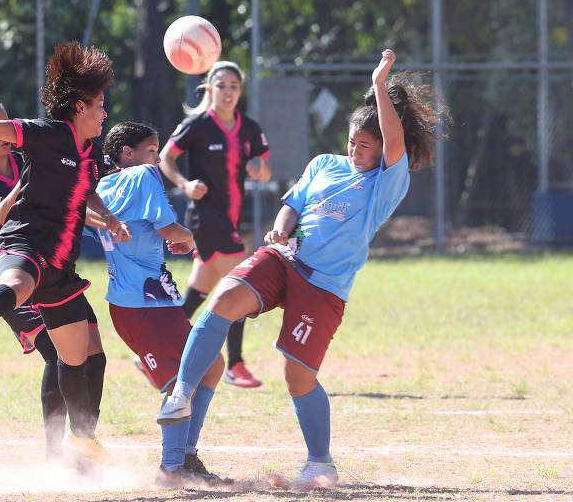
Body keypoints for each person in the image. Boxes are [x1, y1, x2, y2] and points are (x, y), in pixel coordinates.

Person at [157, 50, 450, 489]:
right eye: (352, 141)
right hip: (285, 259)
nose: (355, 151)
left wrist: (378, 84)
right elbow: (292, 206)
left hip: (325, 285)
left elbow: (391, 137)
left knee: (298, 375)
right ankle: (181, 394)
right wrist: (279, 231)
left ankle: (319, 463)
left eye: (364, 146)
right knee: (220, 302)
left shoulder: (387, 181)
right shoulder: (325, 165)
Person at [0, 41, 130, 465]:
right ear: (81, 105)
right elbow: (1, 129)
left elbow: (86, 194)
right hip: (24, 244)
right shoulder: (50, 133)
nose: (105, 113)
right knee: (17, 284)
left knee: (78, 358)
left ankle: (80, 442)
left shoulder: (87, 156)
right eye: (101, 105)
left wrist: (109, 219)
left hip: (62, 269)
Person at [0, 89, 107, 462]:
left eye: (3, 122)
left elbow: (65, 197)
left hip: (55, 265)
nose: (1, 132)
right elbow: (2, 213)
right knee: (56, 355)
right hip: (17, 270)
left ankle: (82, 440)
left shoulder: (29, 155)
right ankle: (58, 454)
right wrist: (34, 173)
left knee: (94, 353)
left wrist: (107, 221)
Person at [91, 121, 228, 486]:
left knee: (211, 364)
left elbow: (141, 230)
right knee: (179, 382)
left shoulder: (102, 186)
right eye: (151, 149)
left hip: (140, 302)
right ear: (128, 153)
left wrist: (169, 236)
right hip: (144, 305)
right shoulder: (145, 174)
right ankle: (172, 466)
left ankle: (184, 456)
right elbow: (169, 229)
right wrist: (189, 237)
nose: (156, 157)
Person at [157, 60, 272, 388]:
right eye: (221, 86)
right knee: (239, 286)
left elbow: (267, 172)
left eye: (234, 86)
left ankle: (155, 347)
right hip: (206, 218)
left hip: (229, 218)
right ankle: (235, 364)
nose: (228, 92)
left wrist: (258, 165)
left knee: (200, 291)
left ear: (240, 91)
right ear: (210, 90)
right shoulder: (198, 125)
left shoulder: (249, 128)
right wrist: (185, 185)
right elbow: (165, 157)